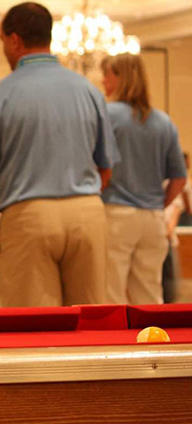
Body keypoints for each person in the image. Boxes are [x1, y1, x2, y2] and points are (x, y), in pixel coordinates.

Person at [0, 2, 118, 307]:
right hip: (87, 213)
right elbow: (106, 169)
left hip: (29, 217)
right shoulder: (89, 91)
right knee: (91, 321)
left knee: (35, 327)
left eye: (3, 41)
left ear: (14, 40)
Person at [100, 54, 186, 304]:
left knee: (111, 293)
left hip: (115, 212)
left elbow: (97, 165)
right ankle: (151, 340)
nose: (104, 81)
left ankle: (114, 343)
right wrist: (158, 203)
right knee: (149, 293)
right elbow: (179, 178)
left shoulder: (108, 114)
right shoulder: (163, 122)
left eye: (108, 75)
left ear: (121, 78)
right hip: (152, 218)